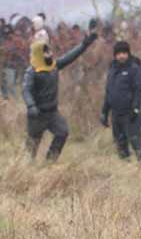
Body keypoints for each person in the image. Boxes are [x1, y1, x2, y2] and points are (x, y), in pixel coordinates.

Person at [22, 26, 98, 161]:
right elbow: (26, 90)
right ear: (39, 54)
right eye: (46, 52)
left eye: (49, 51)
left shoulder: (54, 66)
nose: (50, 54)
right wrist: (31, 105)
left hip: (52, 113)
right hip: (37, 114)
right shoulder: (31, 71)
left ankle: (50, 161)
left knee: (62, 132)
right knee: (31, 146)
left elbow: (70, 56)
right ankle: (25, 170)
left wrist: (85, 44)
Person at [100, 40, 141, 162]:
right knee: (120, 144)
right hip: (116, 114)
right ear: (115, 55)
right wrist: (104, 112)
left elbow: (139, 91)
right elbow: (108, 92)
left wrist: (135, 109)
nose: (121, 56)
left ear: (128, 53)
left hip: (130, 113)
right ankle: (126, 169)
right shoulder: (112, 70)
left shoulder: (135, 69)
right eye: (119, 53)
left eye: (124, 53)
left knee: (136, 140)